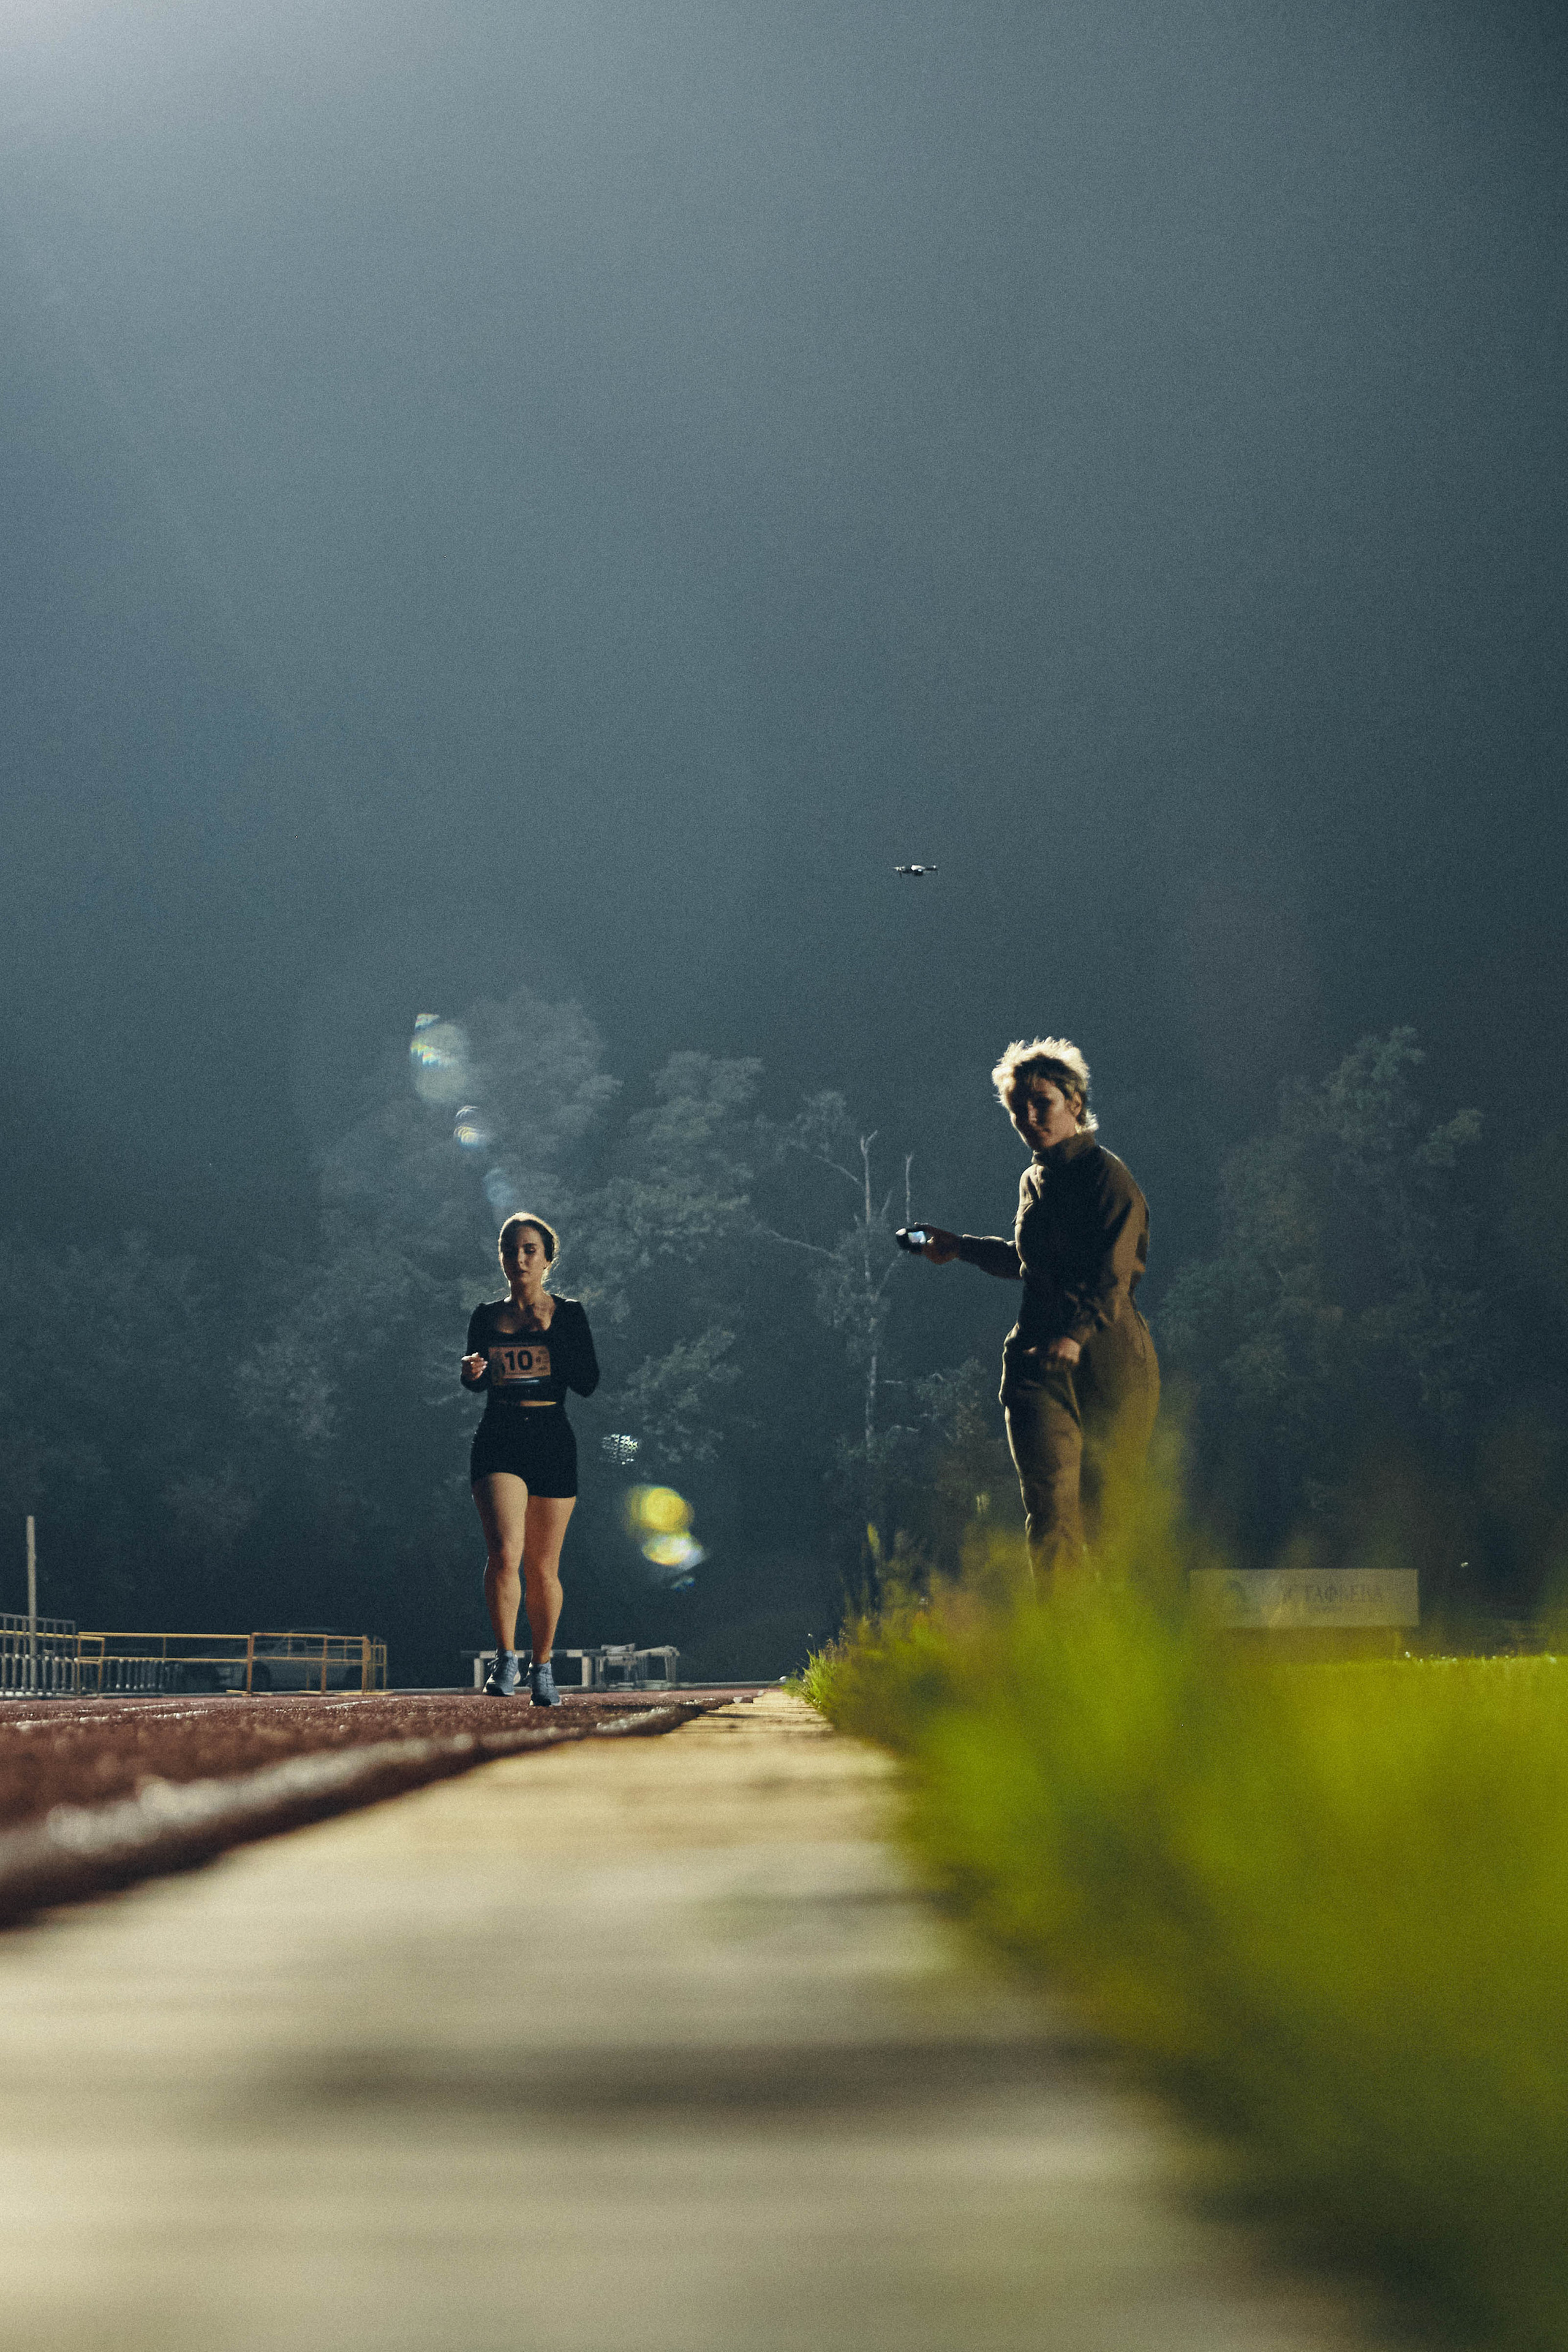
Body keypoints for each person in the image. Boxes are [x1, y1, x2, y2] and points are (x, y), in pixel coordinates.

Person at [916, 1038, 1158, 1578]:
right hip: (1037, 1361)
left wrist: (1076, 1334)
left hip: (1108, 1360)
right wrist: (959, 1247)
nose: (1028, 1117)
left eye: (1040, 1102)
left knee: (1109, 1517)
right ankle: (1060, 1647)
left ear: (1073, 1101)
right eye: (1016, 1108)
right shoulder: (1034, 1180)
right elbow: (1032, 1264)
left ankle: (1126, 1649)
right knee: (1049, 1516)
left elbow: (1114, 1273)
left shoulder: (1107, 1177)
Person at [461, 1213, 599, 1702]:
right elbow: (477, 1379)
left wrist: (550, 1332)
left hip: (551, 1436)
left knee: (542, 1567)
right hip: (500, 1433)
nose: (518, 1258)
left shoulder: (570, 1314)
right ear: (500, 1256)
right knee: (504, 1553)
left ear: (547, 1259)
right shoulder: (484, 1316)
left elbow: (587, 1382)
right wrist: (471, 1373)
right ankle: (506, 1660)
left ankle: (542, 1666)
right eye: (510, 1249)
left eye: (529, 1250)